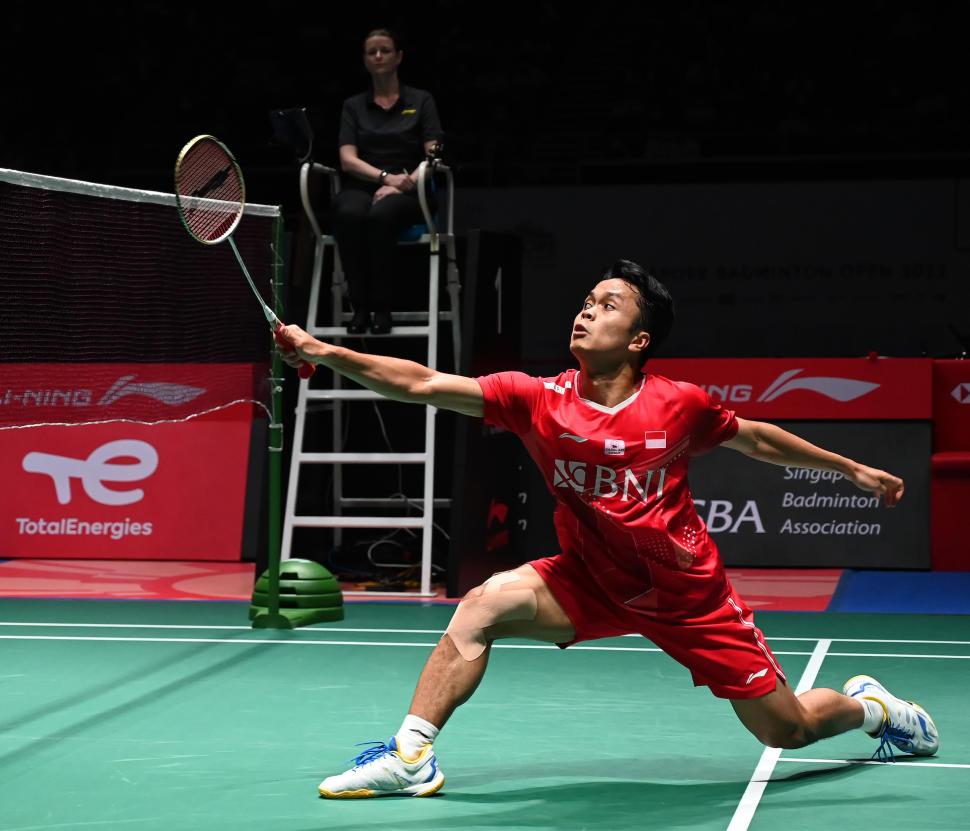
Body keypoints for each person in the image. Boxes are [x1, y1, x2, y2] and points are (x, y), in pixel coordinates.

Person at [275, 259, 939, 798]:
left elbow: (758, 440)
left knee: (786, 730)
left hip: (688, 597)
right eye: (587, 299)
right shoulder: (537, 400)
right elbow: (421, 383)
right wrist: (319, 350)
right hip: (589, 581)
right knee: (481, 605)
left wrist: (849, 467)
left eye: (608, 304)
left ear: (639, 339)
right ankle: (411, 754)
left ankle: (872, 707)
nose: (586, 309)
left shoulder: (678, 405)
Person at [333, 27, 443, 335]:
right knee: (349, 213)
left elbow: (433, 155)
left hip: (410, 190)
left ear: (398, 57)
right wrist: (384, 177)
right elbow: (347, 159)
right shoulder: (354, 106)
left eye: (384, 50)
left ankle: (381, 308)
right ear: (365, 61)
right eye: (372, 52)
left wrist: (403, 182)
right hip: (364, 184)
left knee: (381, 216)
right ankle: (360, 309)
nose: (378, 56)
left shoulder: (421, 101)